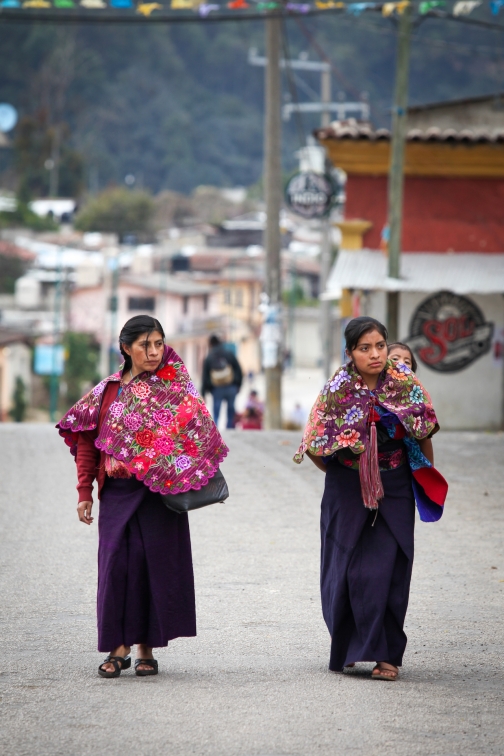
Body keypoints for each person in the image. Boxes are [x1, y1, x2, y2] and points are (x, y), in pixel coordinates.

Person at [57, 315, 229, 678]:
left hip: (159, 494)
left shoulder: (175, 386)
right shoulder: (107, 391)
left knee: (155, 568)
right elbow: (88, 442)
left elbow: (196, 436)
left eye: (158, 343)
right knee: (117, 567)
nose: (154, 352)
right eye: (144, 345)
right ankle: (117, 646)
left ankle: (144, 648)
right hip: (117, 494)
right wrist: (84, 491)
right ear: (125, 348)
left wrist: (173, 466)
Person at [293, 316, 448, 681]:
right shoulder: (336, 390)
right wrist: (344, 476)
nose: (375, 354)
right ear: (350, 353)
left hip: (395, 485)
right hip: (347, 486)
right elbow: (314, 443)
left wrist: (422, 479)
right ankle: (348, 646)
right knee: (343, 568)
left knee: (390, 568)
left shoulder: (405, 384)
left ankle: (386, 655)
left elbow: (424, 432)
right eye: (365, 348)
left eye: (380, 345)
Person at [201, 335, 243, 428]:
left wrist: (204, 393)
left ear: (210, 344)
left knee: (216, 412)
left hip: (216, 389)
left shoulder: (209, 357)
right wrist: (238, 384)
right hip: (231, 386)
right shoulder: (228, 353)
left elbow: (204, 376)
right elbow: (238, 369)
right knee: (230, 411)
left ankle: (216, 432)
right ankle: (230, 430)